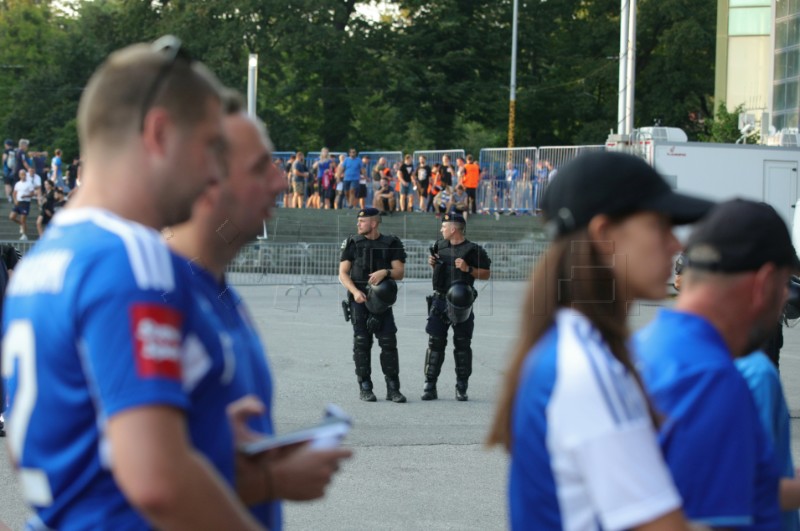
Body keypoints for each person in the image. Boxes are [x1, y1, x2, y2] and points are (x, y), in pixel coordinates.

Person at [2, 36, 266, 530]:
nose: (215, 173)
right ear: (159, 133)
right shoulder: (130, 257)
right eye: (210, 147)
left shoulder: (43, 260)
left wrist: (202, 437)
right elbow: (157, 483)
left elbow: (71, 447)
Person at [486, 151, 714, 530]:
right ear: (605, 235)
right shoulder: (586, 366)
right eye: (660, 225)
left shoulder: (570, 347)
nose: (676, 244)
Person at [167, 91, 351, 529]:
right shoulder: (155, 295)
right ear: (208, 182)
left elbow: (182, 446)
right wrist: (271, 479)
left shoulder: (216, 289)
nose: (281, 182)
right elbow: (131, 491)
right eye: (259, 168)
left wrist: (241, 448)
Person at [635, 199, 799, 529]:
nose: (787, 299)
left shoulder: (643, 349)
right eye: (787, 285)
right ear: (766, 281)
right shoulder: (713, 380)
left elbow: (750, 483)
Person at [339, 207, 407, 403]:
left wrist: (385, 272)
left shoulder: (391, 242)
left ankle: (393, 389)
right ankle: (365, 387)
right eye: (358, 221)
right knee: (362, 343)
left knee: (388, 343)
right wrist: (354, 292)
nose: (358, 224)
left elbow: (399, 272)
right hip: (359, 298)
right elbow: (343, 273)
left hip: (382, 300)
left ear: (374, 223)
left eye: (363, 221)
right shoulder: (352, 242)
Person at [422, 213, 491, 401]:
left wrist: (468, 269)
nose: (441, 229)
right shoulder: (439, 246)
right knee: (434, 343)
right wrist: (433, 265)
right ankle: (430, 384)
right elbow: (439, 273)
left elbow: (486, 274)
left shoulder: (473, 250)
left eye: (444, 226)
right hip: (439, 301)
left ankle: (461, 386)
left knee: (462, 345)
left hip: (462, 304)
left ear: (453, 229)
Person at [9, 168, 35, 240]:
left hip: (25, 203)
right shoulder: (17, 184)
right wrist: (15, 200)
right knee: (12, 217)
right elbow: (14, 193)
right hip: (18, 202)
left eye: (24, 175)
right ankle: (21, 225)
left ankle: (24, 235)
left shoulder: (29, 183)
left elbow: (32, 194)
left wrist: (26, 196)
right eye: (21, 175)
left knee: (23, 219)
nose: (23, 176)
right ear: (19, 175)